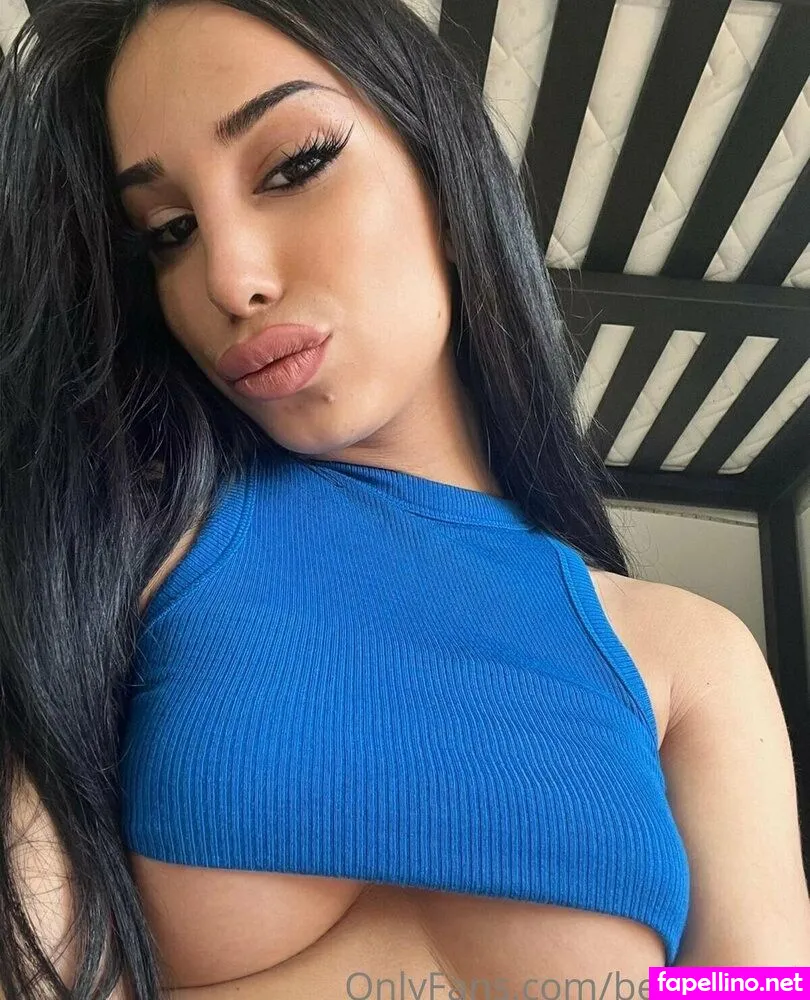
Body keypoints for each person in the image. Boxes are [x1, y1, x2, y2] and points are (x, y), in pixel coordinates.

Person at [2, 0, 809, 997]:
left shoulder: (690, 651)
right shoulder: (126, 545)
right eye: (171, 231)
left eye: (294, 165)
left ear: (448, 185)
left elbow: (761, 984)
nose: (229, 279)